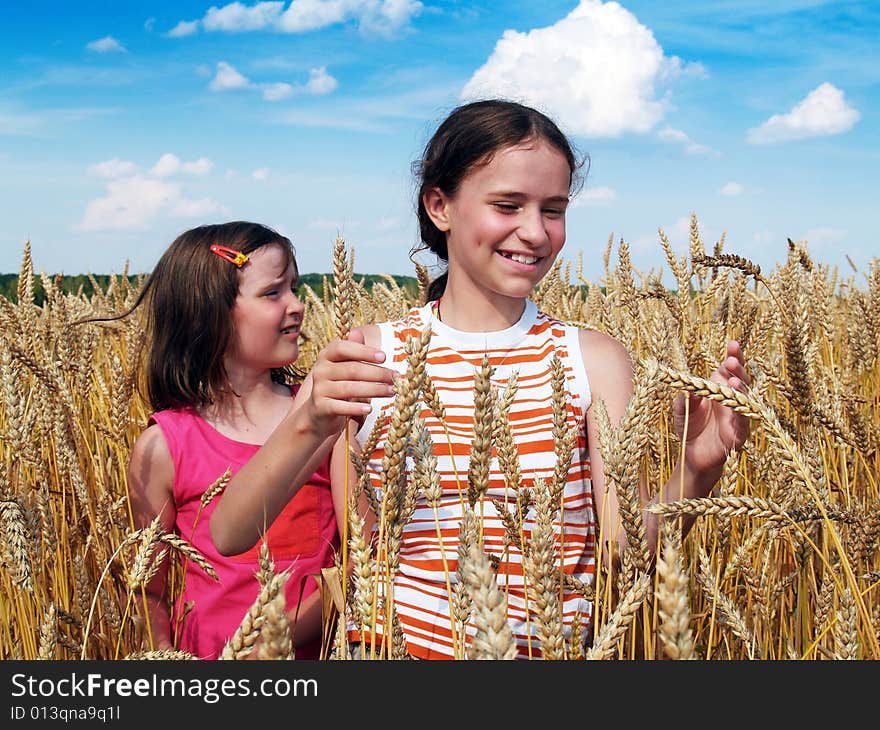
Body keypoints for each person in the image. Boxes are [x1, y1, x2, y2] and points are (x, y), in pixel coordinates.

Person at [212, 100, 750, 660]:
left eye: (554, 209)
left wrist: (696, 467)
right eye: (508, 205)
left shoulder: (594, 360)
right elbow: (232, 534)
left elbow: (622, 551)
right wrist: (309, 419)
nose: (536, 232)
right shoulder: (373, 354)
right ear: (440, 205)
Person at [115, 221, 396, 660]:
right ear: (208, 313)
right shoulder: (164, 446)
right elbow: (147, 590)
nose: (298, 305)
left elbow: (364, 561)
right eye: (273, 293)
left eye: (295, 289)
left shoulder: (325, 422)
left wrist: (271, 640)